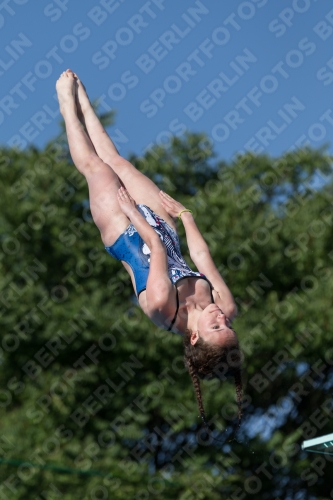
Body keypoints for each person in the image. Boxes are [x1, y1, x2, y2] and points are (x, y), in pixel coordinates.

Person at [56, 69, 243, 427]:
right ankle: (84, 101)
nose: (223, 318)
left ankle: (66, 105)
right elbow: (203, 259)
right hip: (163, 228)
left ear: (194, 336)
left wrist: (129, 212)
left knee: (98, 170)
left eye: (217, 327)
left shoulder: (162, 307)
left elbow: (155, 250)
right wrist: (186, 216)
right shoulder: (223, 305)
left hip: (125, 232)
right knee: (120, 163)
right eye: (227, 324)